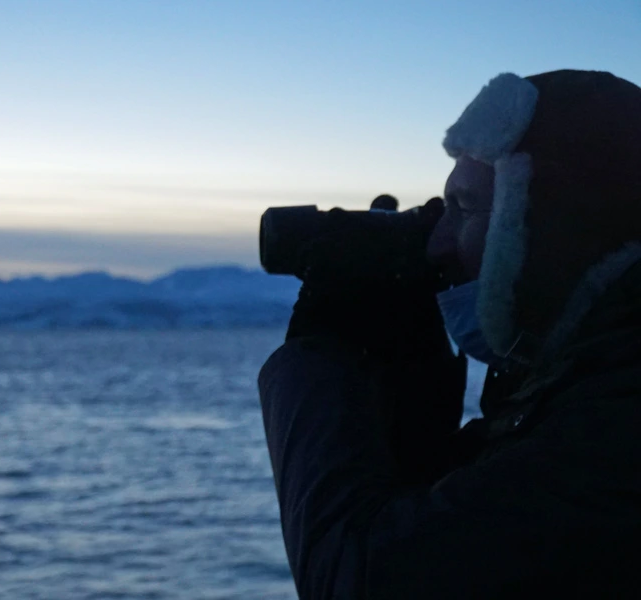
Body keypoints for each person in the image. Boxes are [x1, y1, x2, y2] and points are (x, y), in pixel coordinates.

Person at [258, 69, 641, 598]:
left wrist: (327, 343)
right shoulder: (581, 387)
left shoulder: (616, 423)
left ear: (551, 228)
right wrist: (405, 359)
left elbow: (364, 579)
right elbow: (441, 522)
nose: (437, 248)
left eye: (464, 209)